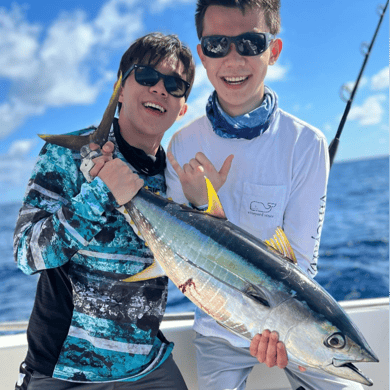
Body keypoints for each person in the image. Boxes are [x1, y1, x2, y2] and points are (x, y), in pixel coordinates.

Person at [165, 1, 364, 389]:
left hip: (291, 326)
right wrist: (202, 205)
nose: (233, 58)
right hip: (218, 324)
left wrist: (280, 328)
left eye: (251, 42)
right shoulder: (183, 143)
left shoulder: (306, 144)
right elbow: (181, 256)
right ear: (202, 54)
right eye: (218, 45)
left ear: (273, 51)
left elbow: (302, 263)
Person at [13, 32, 195, 390]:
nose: (160, 89)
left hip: (147, 367)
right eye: (146, 76)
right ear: (121, 89)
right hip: (63, 372)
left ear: (182, 107)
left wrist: (202, 205)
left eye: (175, 85)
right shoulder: (68, 155)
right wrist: (100, 192)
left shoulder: (174, 176)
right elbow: (26, 254)